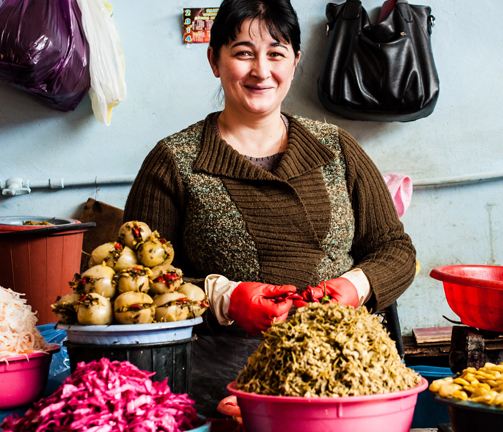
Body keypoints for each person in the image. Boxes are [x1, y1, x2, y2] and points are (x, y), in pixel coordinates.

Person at [123, 0, 416, 418]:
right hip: (219, 392)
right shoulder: (174, 162)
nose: (261, 71)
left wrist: (354, 286)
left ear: (295, 61)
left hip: (345, 381)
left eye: (276, 53)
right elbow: (136, 281)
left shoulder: (337, 149)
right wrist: (223, 298)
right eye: (243, 53)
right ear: (214, 60)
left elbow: (395, 250)